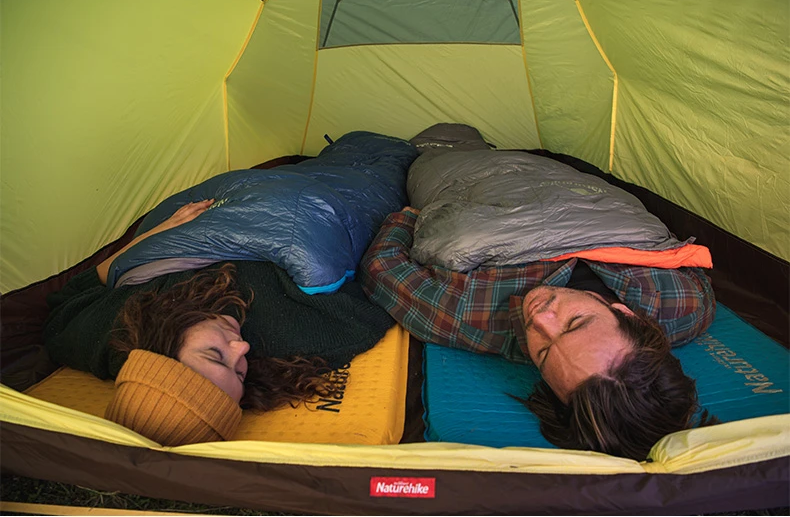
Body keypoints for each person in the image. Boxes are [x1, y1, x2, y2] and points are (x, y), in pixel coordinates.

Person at [361, 207, 718, 460]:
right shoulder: (686, 304)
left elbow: (382, 267)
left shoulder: (467, 312)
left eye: (544, 353)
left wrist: (409, 215)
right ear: (626, 315)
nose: (540, 319)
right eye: (576, 323)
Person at [43, 200, 395, 446]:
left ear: (163, 341)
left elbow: (73, 293)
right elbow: (377, 291)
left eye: (214, 354)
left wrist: (154, 237)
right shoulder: (300, 336)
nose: (241, 348)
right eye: (239, 373)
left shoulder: (100, 332)